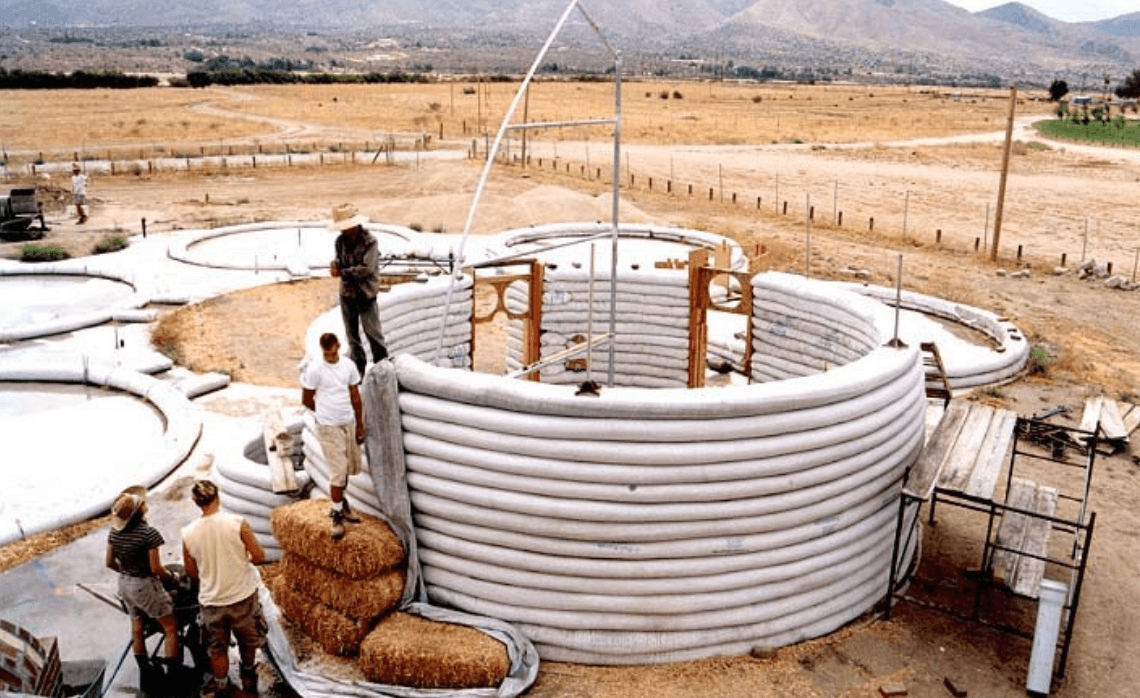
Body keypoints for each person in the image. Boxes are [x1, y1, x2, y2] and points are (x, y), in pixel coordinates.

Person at [181, 480, 267, 698]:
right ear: (217, 497)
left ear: (196, 502)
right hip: (243, 596)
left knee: (217, 647)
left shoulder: (188, 533)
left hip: (212, 601)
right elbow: (259, 557)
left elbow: (191, 572)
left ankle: (221, 684)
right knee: (248, 641)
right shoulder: (237, 523)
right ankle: (248, 674)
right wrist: (240, 560)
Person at [105, 485, 183, 692]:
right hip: (145, 586)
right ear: (139, 511)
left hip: (125, 584)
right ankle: (173, 675)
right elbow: (156, 568)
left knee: (137, 626)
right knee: (170, 627)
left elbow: (109, 563)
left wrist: (128, 570)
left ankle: (144, 667)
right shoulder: (148, 534)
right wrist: (174, 577)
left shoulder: (114, 533)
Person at [301, 332, 365, 539]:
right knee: (338, 470)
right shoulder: (315, 370)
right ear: (322, 350)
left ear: (338, 346)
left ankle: (342, 503)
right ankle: (336, 513)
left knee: (348, 468)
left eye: (332, 352)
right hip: (328, 426)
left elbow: (355, 395)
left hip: (348, 422)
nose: (329, 356)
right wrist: (324, 414)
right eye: (326, 354)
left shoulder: (348, 366)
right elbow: (307, 399)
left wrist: (360, 425)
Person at [330, 204, 387, 376]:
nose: (345, 231)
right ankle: (358, 373)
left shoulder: (370, 241)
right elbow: (340, 263)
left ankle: (383, 370)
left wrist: (343, 272)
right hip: (347, 294)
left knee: (374, 335)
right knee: (352, 339)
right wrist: (336, 267)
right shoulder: (340, 242)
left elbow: (367, 269)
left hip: (365, 295)